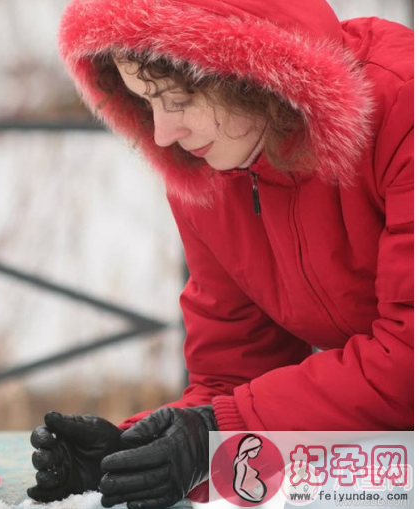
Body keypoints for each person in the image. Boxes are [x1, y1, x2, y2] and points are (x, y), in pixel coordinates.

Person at [29, 0, 412, 507]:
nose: (163, 133)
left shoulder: (404, 108)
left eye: (179, 100)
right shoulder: (210, 169)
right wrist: (135, 454)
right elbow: (236, 376)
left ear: (252, 74)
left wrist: (220, 430)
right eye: (146, 102)